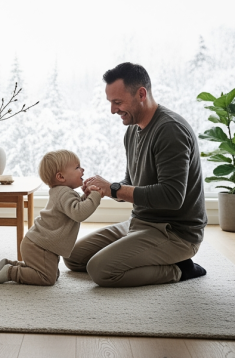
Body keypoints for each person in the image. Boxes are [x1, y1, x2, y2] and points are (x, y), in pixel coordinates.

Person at [63, 62, 208, 287]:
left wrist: (113, 187)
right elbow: (131, 184)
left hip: (175, 233)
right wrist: (106, 189)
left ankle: (180, 269)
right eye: (110, 102)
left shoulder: (170, 130)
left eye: (117, 102)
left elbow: (172, 197)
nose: (113, 110)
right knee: (73, 256)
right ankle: (142, 252)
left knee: (100, 270)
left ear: (141, 94)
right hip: (140, 222)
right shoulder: (132, 130)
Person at [0, 150, 106, 284]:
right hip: (40, 246)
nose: (82, 170)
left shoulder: (62, 192)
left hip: (38, 243)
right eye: (77, 167)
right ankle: (11, 272)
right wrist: (95, 196)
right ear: (61, 177)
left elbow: (73, 210)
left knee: (51, 274)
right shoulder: (65, 194)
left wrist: (87, 197)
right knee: (47, 278)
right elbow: (79, 213)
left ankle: (7, 264)